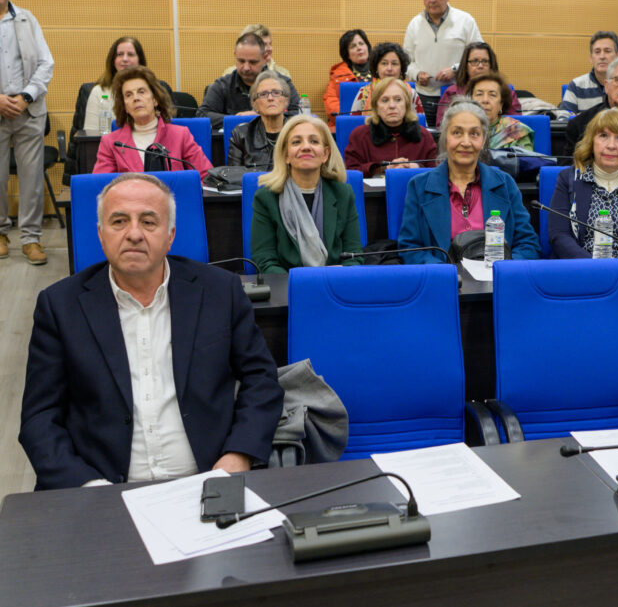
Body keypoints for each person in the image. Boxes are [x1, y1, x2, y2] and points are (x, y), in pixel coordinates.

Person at [19, 173, 284, 490]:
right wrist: (88, 487)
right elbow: (39, 418)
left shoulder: (220, 291)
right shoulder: (60, 306)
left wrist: (238, 455)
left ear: (170, 235)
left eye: (148, 222)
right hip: (101, 490)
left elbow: (261, 379)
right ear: (101, 234)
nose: (134, 234)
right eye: (119, 222)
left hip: (210, 480)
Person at [398, 98, 540, 263]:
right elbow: (410, 247)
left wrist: (502, 270)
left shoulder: (505, 184)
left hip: (496, 276)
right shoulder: (419, 186)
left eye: (474, 134)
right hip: (443, 276)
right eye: (457, 133)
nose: (466, 142)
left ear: (483, 140)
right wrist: (447, 273)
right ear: (445, 137)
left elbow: (528, 244)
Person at [251, 115, 364, 273]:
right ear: (286, 155)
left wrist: (333, 277)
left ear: (325, 154)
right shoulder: (266, 198)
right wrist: (300, 283)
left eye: (314, 141)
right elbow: (265, 262)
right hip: (287, 285)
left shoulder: (343, 194)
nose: (306, 147)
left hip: (334, 283)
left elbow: (355, 257)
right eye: (296, 142)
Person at [549, 108, 618, 258]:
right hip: (581, 267)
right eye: (603, 136)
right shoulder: (569, 179)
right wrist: (595, 268)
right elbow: (559, 235)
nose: (611, 145)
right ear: (591, 142)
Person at [0, 0, 53, 266]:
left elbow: (46, 63)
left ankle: (31, 239)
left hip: (28, 111)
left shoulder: (27, 20)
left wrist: (25, 96)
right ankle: (0, 234)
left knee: (31, 179)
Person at [94, 66, 212, 179]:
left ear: (155, 99)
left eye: (141, 92)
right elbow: (100, 186)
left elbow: (206, 178)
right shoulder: (111, 143)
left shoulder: (181, 136)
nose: (136, 98)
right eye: (128, 95)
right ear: (125, 106)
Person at [403, 0, 483, 126]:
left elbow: (480, 59)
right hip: (423, 97)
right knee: (426, 138)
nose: (432, 0)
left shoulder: (466, 21)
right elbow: (406, 62)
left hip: (458, 96)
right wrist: (417, 74)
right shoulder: (414, 24)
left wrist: (456, 69)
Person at [198, 32, 300, 129]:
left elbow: (298, 114)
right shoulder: (223, 85)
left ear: (265, 58)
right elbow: (202, 114)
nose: (246, 67)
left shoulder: (282, 83)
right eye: (241, 61)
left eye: (253, 62)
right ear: (235, 55)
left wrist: (262, 116)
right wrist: (238, 119)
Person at [345, 77, 437, 177]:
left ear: (406, 105)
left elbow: (437, 173)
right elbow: (350, 174)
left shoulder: (424, 136)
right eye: (385, 100)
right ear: (376, 107)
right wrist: (383, 169)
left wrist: (417, 167)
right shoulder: (359, 136)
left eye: (398, 100)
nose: (392, 105)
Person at [83, 37, 172, 131]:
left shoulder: (153, 88)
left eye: (130, 54)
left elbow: (167, 127)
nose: (125, 59)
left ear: (140, 60)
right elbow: (90, 134)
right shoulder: (98, 91)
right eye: (120, 54)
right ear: (113, 60)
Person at [435, 42, 521, 124]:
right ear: (465, 66)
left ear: (491, 65)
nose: (480, 66)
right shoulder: (452, 92)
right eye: (475, 61)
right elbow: (442, 125)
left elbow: (516, 122)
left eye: (485, 61)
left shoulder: (506, 91)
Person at [227, 71, 291, 168]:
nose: (270, 98)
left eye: (276, 93)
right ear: (254, 105)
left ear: (286, 101)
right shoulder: (241, 135)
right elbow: (233, 174)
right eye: (263, 94)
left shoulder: (298, 132)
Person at [350, 42, 424, 117]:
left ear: (401, 69)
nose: (389, 68)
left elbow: (420, 122)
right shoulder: (363, 93)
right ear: (376, 68)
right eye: (384, 63)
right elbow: (354, 122)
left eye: (394, 64)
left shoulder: (411, 94)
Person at [468, 72, 534, 152]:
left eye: (492, 95)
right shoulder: (460, 128)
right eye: (479, 94)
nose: (485, 100)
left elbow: (525, 159)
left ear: (501, 104)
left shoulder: (516, 131)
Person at [559, 31, 618, 113]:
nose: (602, 56)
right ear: (591, 58)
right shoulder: (576, 86)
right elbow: (563, 118)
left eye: (607, 51)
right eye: (597, 52)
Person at [324, 28, 372, 123]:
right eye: (353, 46)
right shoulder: (338, 75)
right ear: (347, 54)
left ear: (367, 47)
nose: (359, 48)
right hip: (348, 121)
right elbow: (331, 102)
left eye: (361, 44)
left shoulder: (381, 70)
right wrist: (351, 117)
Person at [221, 23, 290, 78]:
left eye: (270, 44)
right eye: (264, 44)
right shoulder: (230, 74)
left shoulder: (283, 74)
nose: (270, 49)